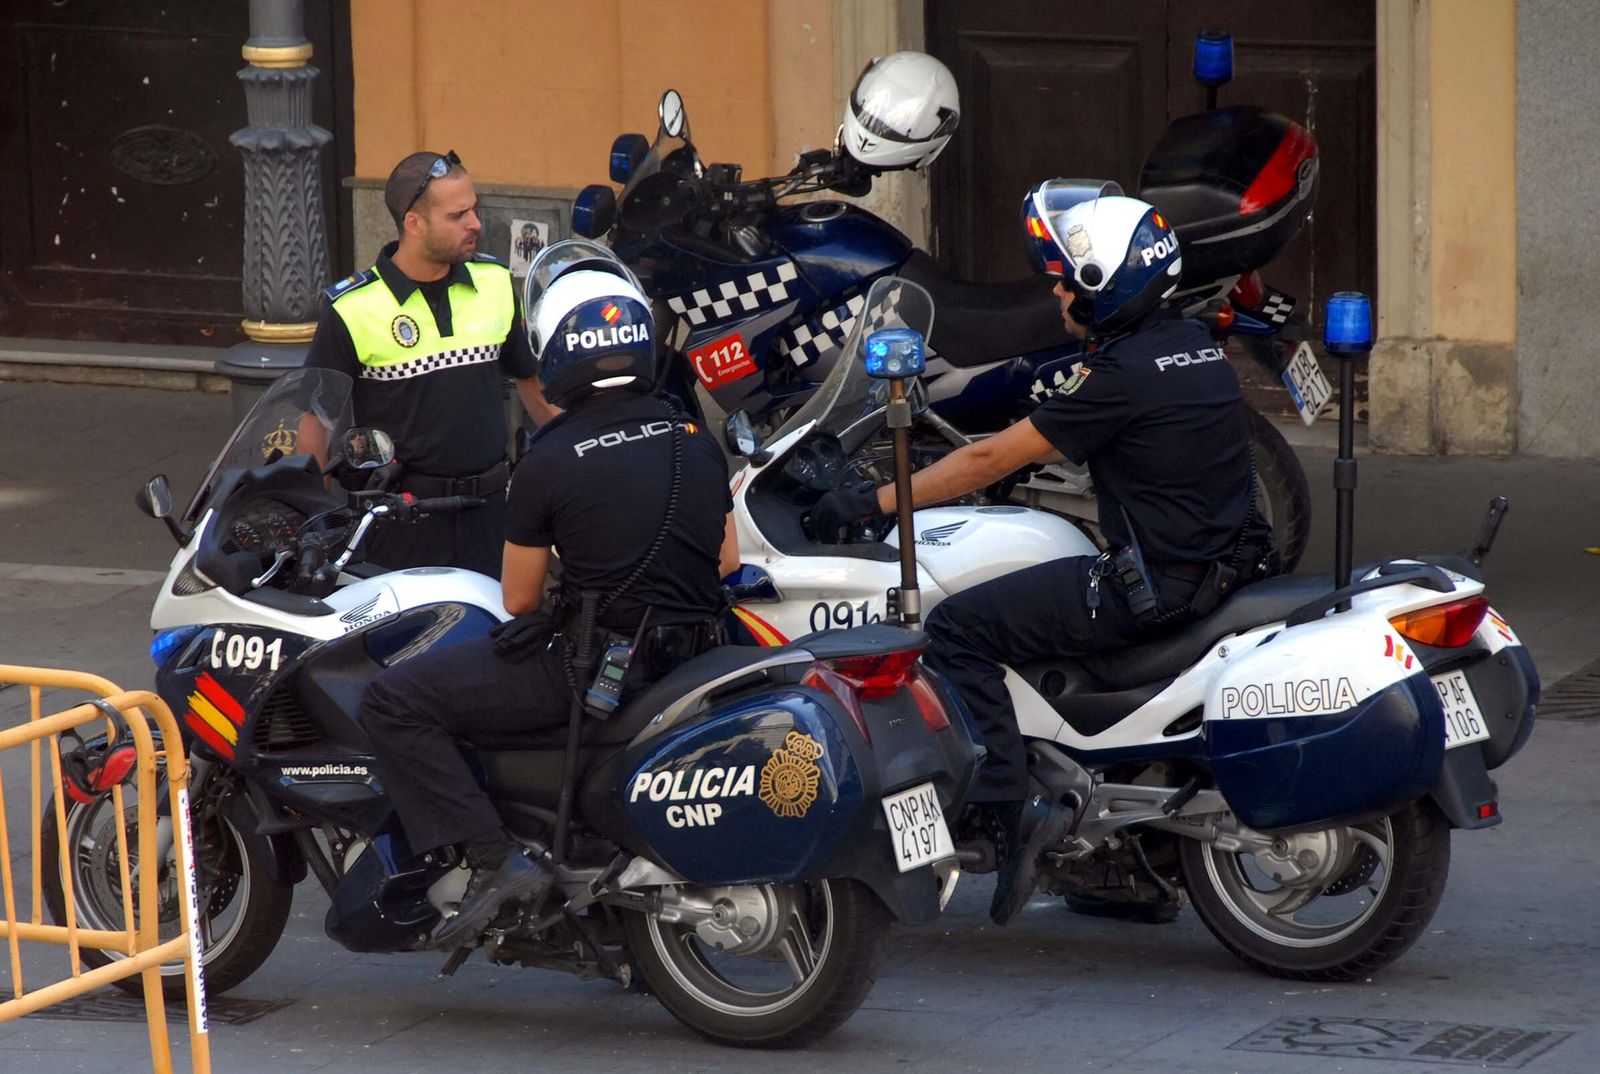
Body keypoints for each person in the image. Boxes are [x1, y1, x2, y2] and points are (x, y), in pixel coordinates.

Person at [810, 182, 1273, 927]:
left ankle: (1003, 808)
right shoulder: (1192, 346)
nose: (1054, 289)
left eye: (1065, 277)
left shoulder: (1117, 376)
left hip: (1152, 587)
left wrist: (873, 501)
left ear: (1103, 289)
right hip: (1222, 567)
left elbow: (987, 459)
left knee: (960, 628)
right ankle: (1122, 868)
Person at [359, 240, 740, 950]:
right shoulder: (696, 436)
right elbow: (725, 560)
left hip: (593, 669)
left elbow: (522, 596)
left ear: (558, 353)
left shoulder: (548, 459)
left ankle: (491, 861)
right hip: (692, 654)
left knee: (395, 698)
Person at [303, 150, 559, 578]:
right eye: (458, 215)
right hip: (401, 521)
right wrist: (313, 522)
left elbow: (532, 386)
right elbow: (317, 421)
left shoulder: (494, 282)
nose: (475, 223)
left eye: (474, 209)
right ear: (414, 223)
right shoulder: (353, 307)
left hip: (492, 515)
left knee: (503, 634)